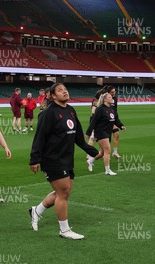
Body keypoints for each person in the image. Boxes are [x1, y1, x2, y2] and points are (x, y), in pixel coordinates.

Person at [28, 83, 99, 239]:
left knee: (64, 192)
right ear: (53, 96)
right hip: (52, 159)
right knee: (63, 193)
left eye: (65, 89)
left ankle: (36, 211)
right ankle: (64, 230)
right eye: (60, 90)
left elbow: (78, 136)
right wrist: (35, 159)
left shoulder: (71, 111)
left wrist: (92, 151)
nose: (64, 91)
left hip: (67, 158)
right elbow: (39, 137)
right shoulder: (48, 114)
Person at [86, 92, 125, 175]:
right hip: (100, 132)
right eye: (110, 97)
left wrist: (121, 126)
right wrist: (88, 132)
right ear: (105, 99)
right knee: (108, 150)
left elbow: (116, 120)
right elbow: (94, 121)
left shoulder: (112, 109)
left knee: (102, 153)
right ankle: (107, 171)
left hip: (107, 132)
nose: (112, 98)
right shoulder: (100, 109)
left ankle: (90, 161)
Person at [106, 85, 122, 159]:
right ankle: (105, 154)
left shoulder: (115, 98)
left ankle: (115, 153)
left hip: (113, 119)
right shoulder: (104, 99)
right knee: (107, 139)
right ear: (108, 92)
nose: (114, 93)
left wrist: (119, 124)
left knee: (116, 135)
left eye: (114, 92)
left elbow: (115, 110)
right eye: (112, 92)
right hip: (106, 121)